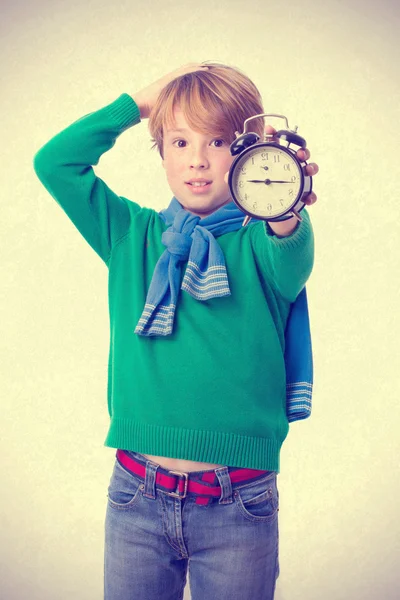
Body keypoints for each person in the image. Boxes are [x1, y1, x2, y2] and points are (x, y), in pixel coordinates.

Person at [33, 61, 319, 600]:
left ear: (247, 154)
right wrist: (138, 105)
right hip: (135, 497)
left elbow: (291, 244)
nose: (197, 161)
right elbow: (55, 163)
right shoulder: (130, 234)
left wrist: (285, 199)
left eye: (217, 142)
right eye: (179, 141)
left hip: (239, 504)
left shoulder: (262, 246)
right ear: (160, 150)